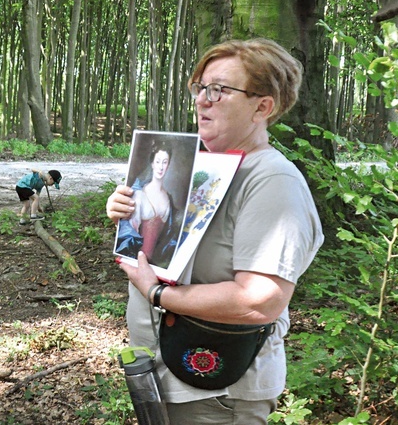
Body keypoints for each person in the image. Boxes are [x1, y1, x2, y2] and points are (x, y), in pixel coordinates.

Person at [106, 38, 323, 424]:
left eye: (219, 90)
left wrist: (155, 293)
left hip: (219, 393)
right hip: (168, 373)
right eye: (200, 87)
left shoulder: (273, 181)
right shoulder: (205, 168)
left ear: (263, 106)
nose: (202, 100)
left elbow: (260, 300)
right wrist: (128, 212)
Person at [115, 145, 178, 268]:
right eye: (158, 161)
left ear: (168, 165)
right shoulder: (139, 195)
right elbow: (130, 233)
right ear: (152, 163)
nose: (161, 167)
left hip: (159, 266)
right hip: (138, 265)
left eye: (165, 162)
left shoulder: (169, 198)